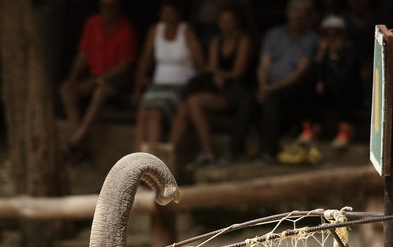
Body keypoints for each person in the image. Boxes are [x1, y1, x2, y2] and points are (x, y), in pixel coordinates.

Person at [168, 3, 256, 164]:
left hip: (238, 92)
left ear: (237, 22)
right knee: (184, 107)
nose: (225, 26)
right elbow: (211, 68)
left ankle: (209, 153)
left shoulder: (244, 40)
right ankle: (169, 155)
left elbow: (237, 73)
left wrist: (220, 74)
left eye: (229, 21)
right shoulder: (216, 40)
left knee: (193, 102)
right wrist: (217, 75)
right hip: (217, 89)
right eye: (222, 21)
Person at [59, 0, 137, 163]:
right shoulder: (92, 24)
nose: (107, 10)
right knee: (67, 89)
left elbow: (123, 67)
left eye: (112, 7)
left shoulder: (126, 29)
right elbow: (83, 54)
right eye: (104, 6)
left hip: (116, 79)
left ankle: (76, 140)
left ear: (118, 8)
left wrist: (97, 80)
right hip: (94, 76)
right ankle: (80, 143)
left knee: (100, 92)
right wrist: (73, 78)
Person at [132, 1, 205, 151]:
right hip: (158, 84)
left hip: (181, 84)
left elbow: (201, 64)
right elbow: (144, 61)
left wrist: (196, 86)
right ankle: (138, 160)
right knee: (142, 113)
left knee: (154, 113)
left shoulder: (186, 32)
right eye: (165, 13)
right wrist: (137, 89)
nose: (168, 17)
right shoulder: (155, 31)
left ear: (178, 15)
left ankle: (153, 162)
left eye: (171, 13)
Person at [253, 0, 319, 162]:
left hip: (294, 88)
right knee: (248, 99)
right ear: (287, 13)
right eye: (294, 10)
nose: (297, 15)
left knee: (272, 100)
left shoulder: (311, 39)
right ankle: (234, 152)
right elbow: (264, 64)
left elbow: (299, 72)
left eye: (302, 12)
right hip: (268, 85)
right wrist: (263, 85)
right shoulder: (274, 34)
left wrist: (270, 88)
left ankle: (267, 151)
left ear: (309, 16)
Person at [311, 14, 362, 148]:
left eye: (336, 34)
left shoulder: (350, 51)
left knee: (339, 87)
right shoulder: (320, 51)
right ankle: (310, 128)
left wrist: (334, 56)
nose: (331, 38)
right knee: (308, 86)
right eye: (327, 34)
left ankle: (345, 131)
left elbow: (342, 77)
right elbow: (313, 76)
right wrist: (321, 56)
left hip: (349, 95)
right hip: (326, 94)